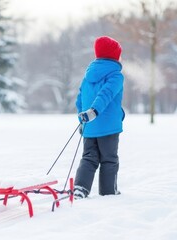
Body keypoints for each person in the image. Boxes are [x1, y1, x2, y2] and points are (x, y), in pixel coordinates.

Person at [74, 36, 125, 199]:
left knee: (89, 157)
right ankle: (108, 191)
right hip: (108, 127)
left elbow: (79, 100)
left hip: (89, 127)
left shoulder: (87, 77)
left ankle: (80, 188)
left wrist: (82, 119)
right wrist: (94, 111)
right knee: (109, 159)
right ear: (114, 56)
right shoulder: (116, 76)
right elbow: (106, 94)